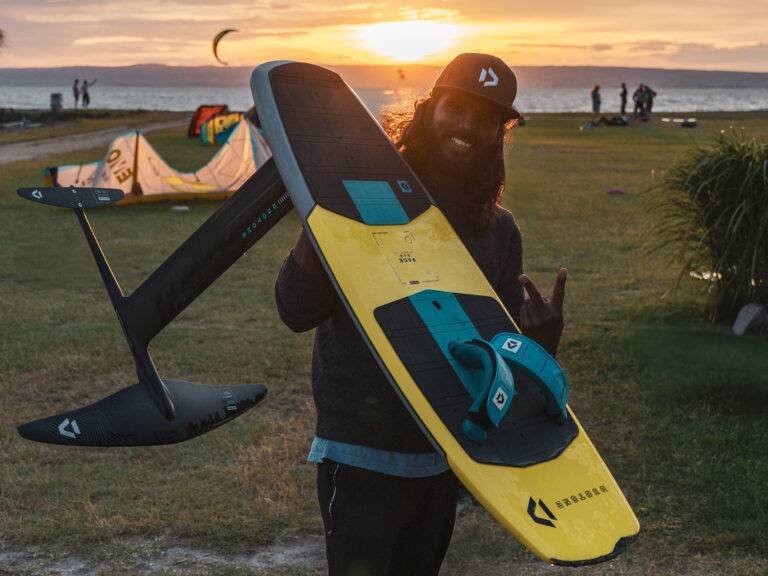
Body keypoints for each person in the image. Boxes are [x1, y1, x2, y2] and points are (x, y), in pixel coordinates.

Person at [275, 53, 567, 576]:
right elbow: (295, 310)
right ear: (430, 107)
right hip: (360, 450)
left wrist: (539, 345)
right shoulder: (363, 198)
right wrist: (321, 212)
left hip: (445, 456)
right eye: (457, 108)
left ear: (501, 132)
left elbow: (496, 362)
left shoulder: (497, 231)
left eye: (486, 119)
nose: (468, 127)